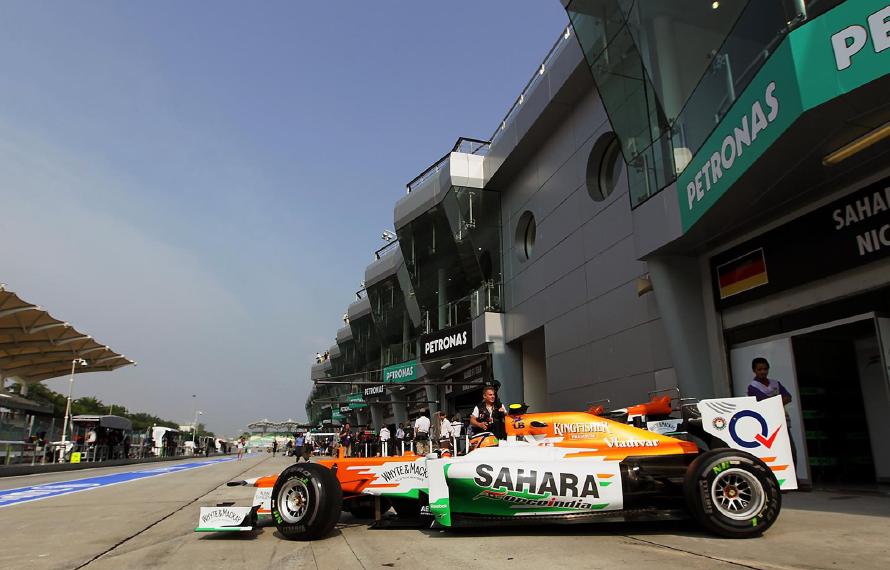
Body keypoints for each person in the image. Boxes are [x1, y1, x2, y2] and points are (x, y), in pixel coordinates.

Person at [748, 357, 797, 464]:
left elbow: (788, 397)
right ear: (754, 370)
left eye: (765, 369)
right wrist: (778, 400)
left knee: (791, 452)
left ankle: (794, 478)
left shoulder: (775, 383)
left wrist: (774, 402)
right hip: (768, 425)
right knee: (775, 452)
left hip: (783, 421)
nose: (763, 372)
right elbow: (765, 403)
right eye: (759, 369)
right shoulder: (752, 387)